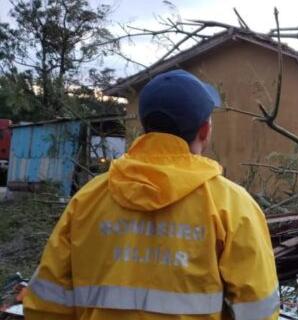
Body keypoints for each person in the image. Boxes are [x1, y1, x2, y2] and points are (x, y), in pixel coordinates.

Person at [23, 70, 280, 320]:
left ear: (146, 126)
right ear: (204, 130)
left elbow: (46, 304)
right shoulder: (232, 206)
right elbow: (258, 311)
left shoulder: (88, 199)